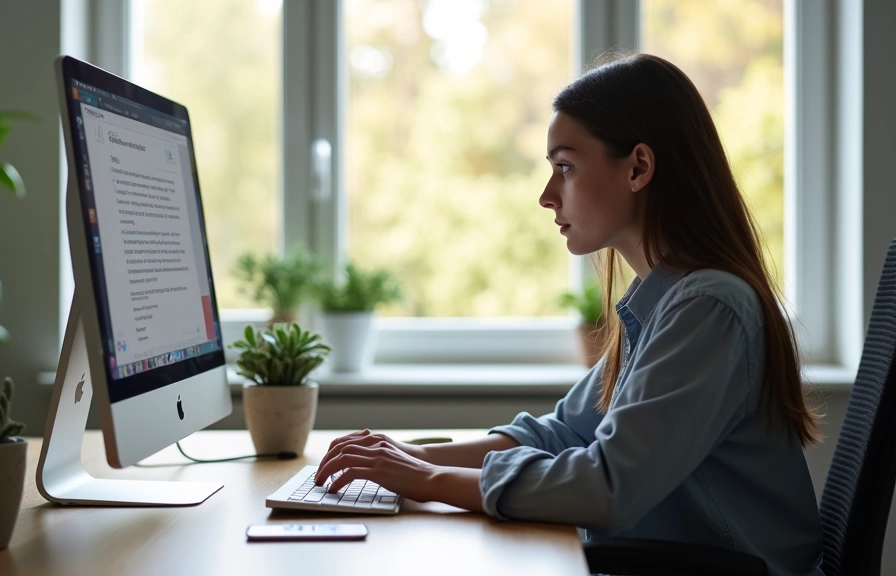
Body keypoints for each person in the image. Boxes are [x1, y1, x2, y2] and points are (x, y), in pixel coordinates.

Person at [313, 53, 824, 576]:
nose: (547, 195)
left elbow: (607, 488)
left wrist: (426, 481)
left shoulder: (708, 308)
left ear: (638, 168)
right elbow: (560, 434)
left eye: (565, 167)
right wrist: (408, 457)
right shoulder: (664, 302)